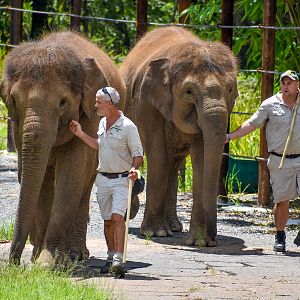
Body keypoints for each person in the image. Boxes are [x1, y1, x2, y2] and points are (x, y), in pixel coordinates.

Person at [69, 86, 143, 277]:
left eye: (98, 102)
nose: (96, 105)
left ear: (109, 104)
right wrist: (80, 133)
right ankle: (110, 257)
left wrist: (134, 169)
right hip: (102, 179)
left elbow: (138, 154)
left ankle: (118, 260)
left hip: (121, 180)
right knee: (108, 221)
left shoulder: (128, 126)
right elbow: (98, 145)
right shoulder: (102, 123)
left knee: (118, 218)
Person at [225, 70, 300, 252]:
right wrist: (229, 136)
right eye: (283, 82)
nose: (286, 86)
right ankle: (280, 236)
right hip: (279, 160)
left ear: (297, 85)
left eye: (290, 83)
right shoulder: (270, 105)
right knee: (282, 200)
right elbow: (251, 124)